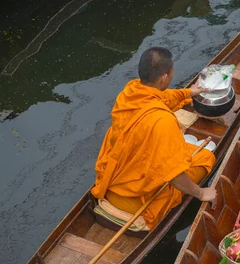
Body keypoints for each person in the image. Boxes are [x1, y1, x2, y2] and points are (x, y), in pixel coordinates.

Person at [91, 47, 217, 230]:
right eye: (172, 72)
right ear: (164, 77)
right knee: (205, 157)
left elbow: (163, 97)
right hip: (138, 203)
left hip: (111, 186)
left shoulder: (130, 92)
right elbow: (173, 175)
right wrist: (201, 193)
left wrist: (190, 92)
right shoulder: (163, 121)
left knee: (177, 151)